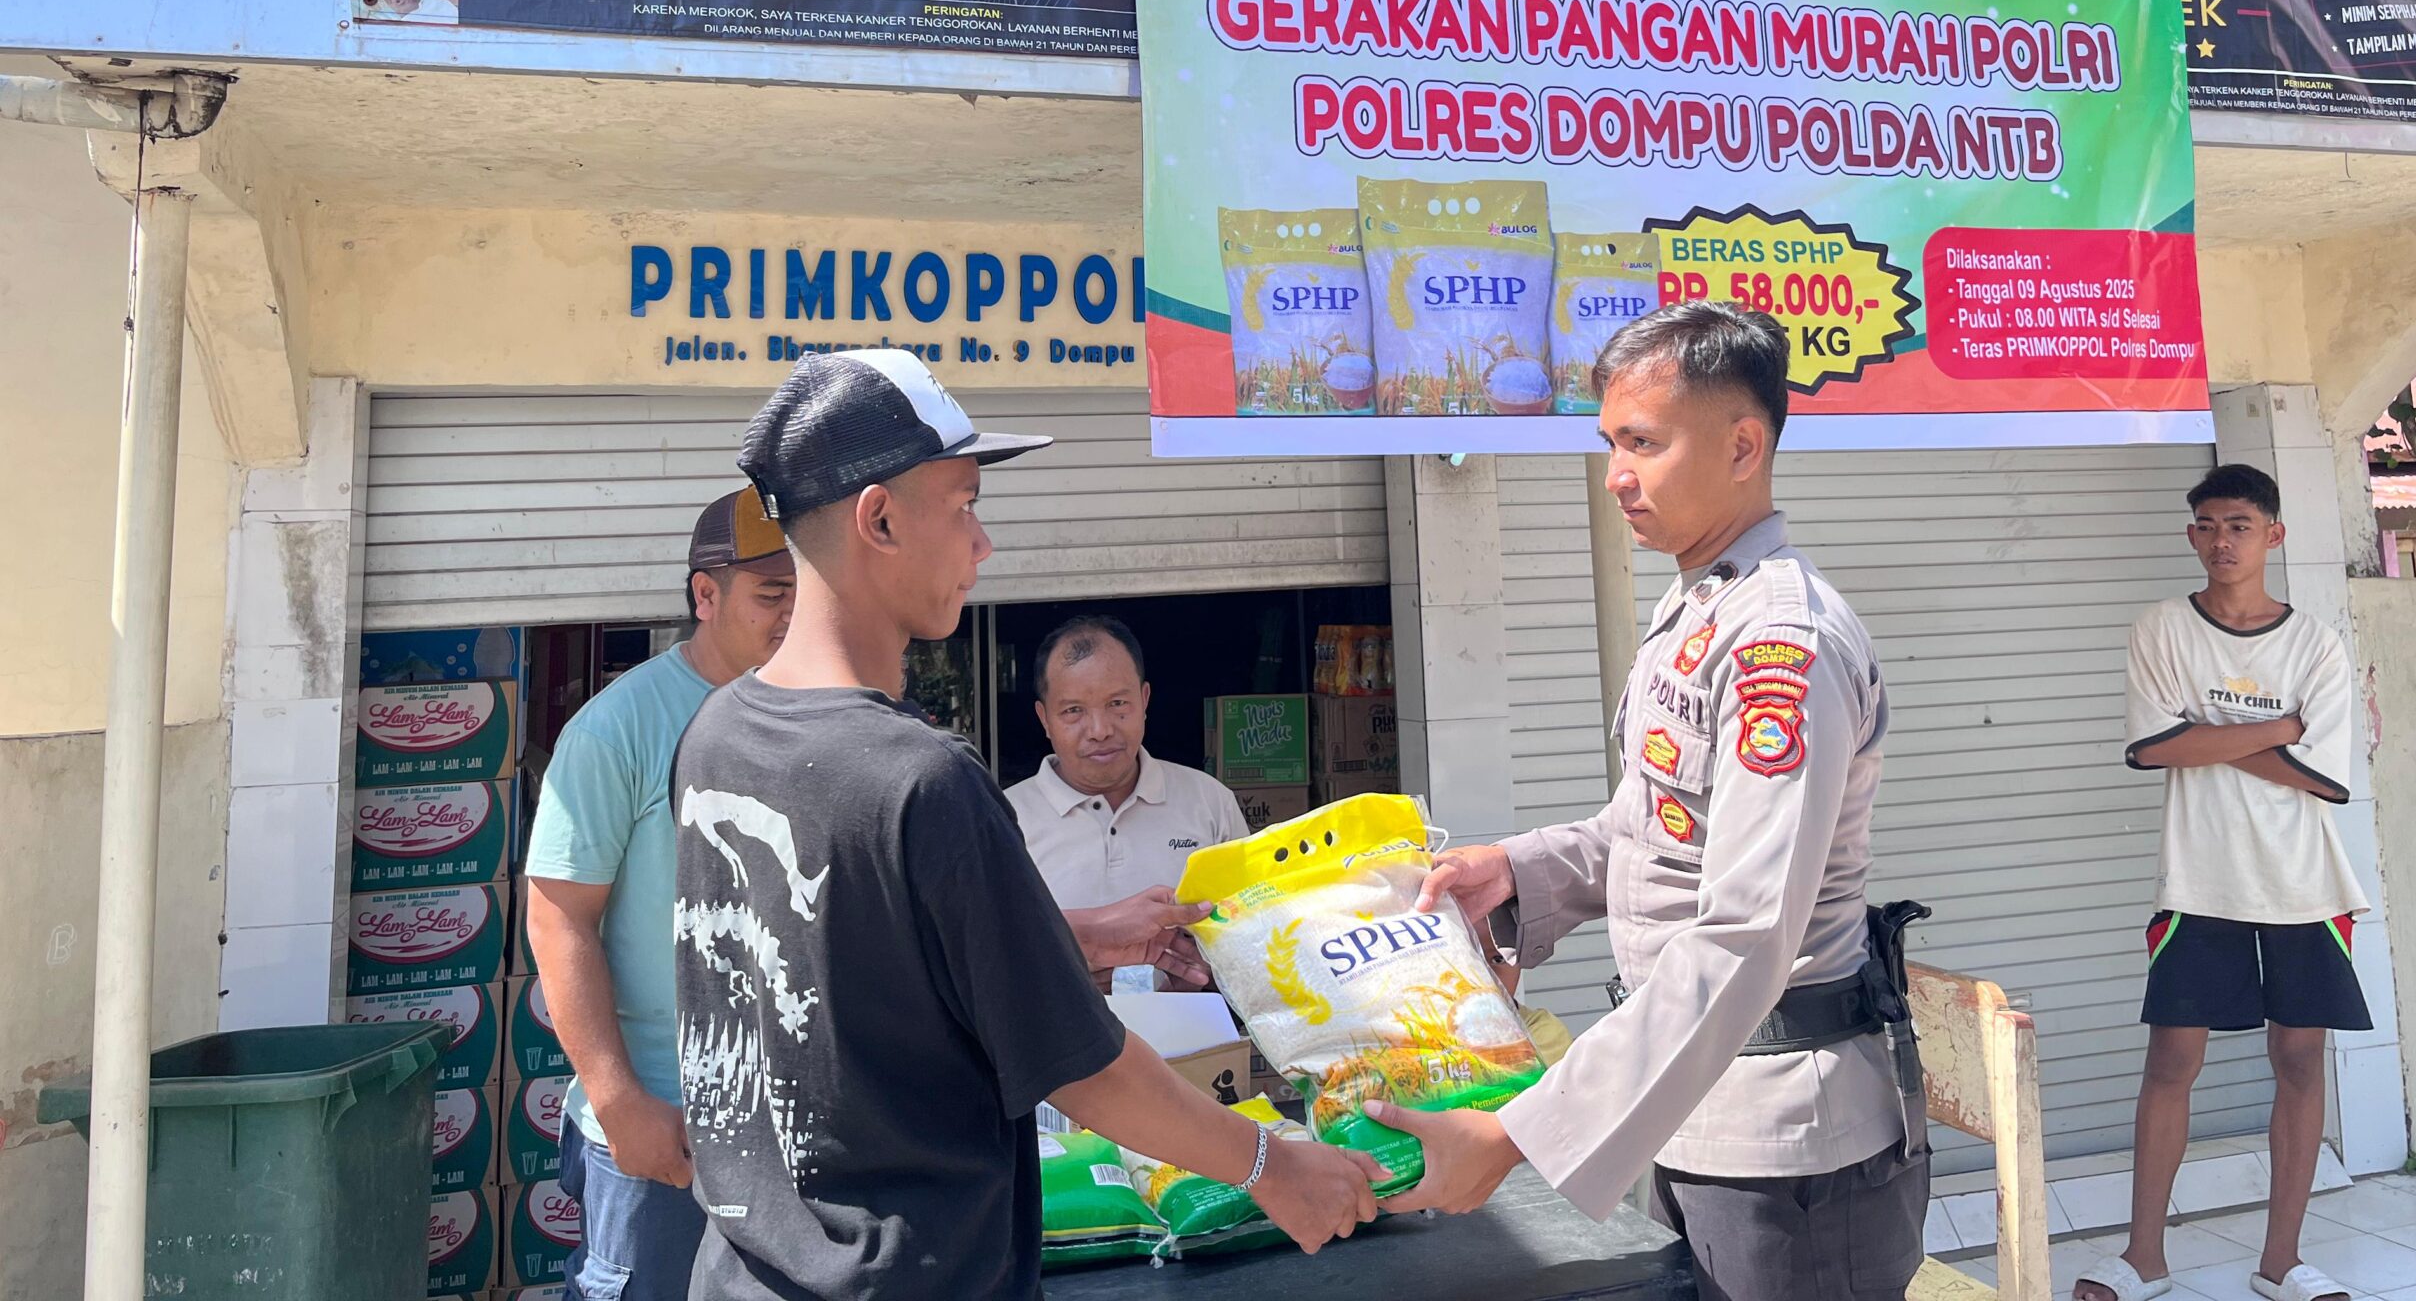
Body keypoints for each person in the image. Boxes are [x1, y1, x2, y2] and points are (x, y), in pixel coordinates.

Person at [670, 350, 1379, 1300]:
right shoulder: (924, 780)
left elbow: (862, 974)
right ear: (879, 519)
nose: (984, 543)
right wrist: (1273, 1166)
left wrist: (1076, 937)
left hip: (743, 1272)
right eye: (964, 506)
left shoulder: (716, 736)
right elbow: (1083, 1066)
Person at [1372, 300, 1927, 1301]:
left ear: (1743, 445)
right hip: (1702, 1114)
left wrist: (1517, 1133)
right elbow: (1655, 831)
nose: (1614, 476)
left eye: (1643, 443)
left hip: (1785, 1151)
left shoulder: (1781, 644)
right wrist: (1513, 873)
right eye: (1609, 444)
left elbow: (1745, 934)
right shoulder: (1700, 606)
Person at [2073, 465, 2367, 1301]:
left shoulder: (2315, 644)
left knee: (2300, 1060)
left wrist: (2205, 733)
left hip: (2305, 884)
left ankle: (2283, 1263)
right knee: (2171, 1060)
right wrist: (2279, 727)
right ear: (2191, 535)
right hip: (2198, 879)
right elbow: (2153, 748)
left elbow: (2323, 778)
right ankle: (2143, 1259)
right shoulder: (2163, 628)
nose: (2221, 540)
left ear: (2273, 534)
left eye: (2238, 524)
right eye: (2206, 525)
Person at [522, 488, 798, 1301]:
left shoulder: (819, 713)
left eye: (807, 592)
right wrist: (619, 1102)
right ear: (705, 595)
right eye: (771, 594)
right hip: (663, 1127)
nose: (793, 614)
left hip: (795, 1126)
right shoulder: (620, 727)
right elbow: (558, 919)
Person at [1006, 614, 1249, 989]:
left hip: (1193, 1026)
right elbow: (984, 955)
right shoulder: (1003, 820)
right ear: (1045, 719)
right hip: (1055, 1029)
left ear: (1144, 699)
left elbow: (1256, 935)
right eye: (1073, 711)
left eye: (1117, 703)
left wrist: (1209, 967)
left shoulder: (1209, 801)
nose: (1100, 730)